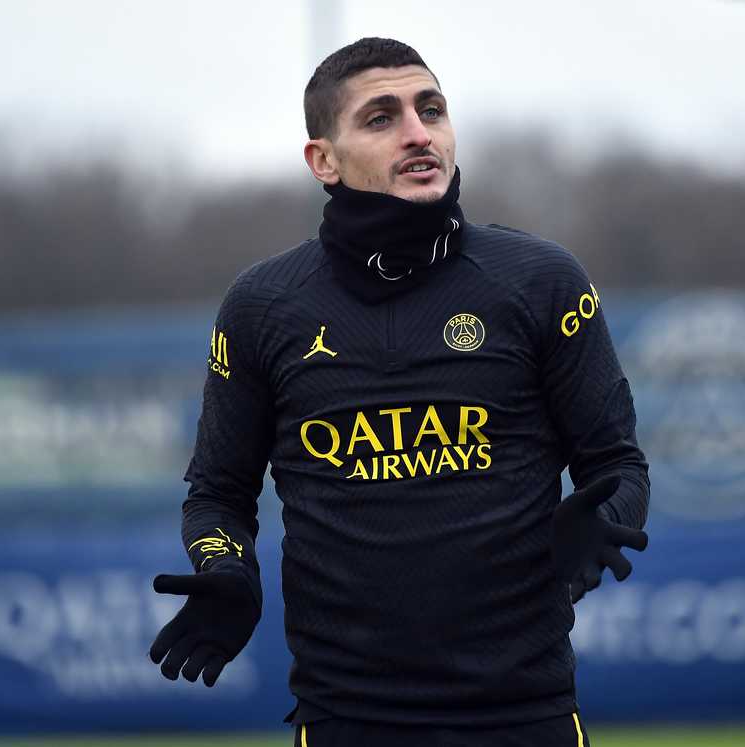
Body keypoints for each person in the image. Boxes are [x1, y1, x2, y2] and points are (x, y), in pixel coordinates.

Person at [149, 37, 649, 746]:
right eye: (381, 117)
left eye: (432, 109)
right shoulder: (263, 305)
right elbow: (217, 494)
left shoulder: (543, 281)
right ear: (323, 159)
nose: (419, 132)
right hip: (346, 720)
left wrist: (600, 519)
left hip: (525, 716)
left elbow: (619, 466)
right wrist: (227, 566)